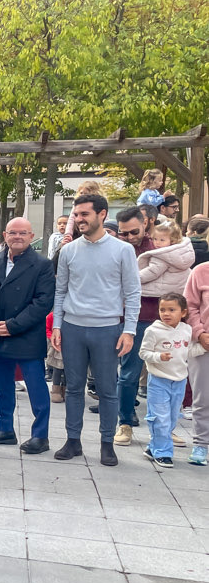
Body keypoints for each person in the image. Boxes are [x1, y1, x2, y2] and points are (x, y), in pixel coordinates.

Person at [51, 194, 140, 466]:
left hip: (107, 329)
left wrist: (129, 330)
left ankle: (107, 443)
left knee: (107, 389)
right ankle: (73, 440)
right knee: (73, 388)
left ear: (102, 214)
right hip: (73, 328)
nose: (79, 219)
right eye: (76, 214)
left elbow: (133, 293)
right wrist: (57, 325)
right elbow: (60, 290)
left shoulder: (123, 250)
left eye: (84, 214)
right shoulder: (68, 251)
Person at [0, 217, 56, 452]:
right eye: (13, 233)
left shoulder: (42, 265)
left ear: (31, 236)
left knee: (36, 388)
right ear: (5, 235)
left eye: (23, 233)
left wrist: (13, 326)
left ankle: (40, 436)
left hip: (26, 335)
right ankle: (4, 429)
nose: (17, 237)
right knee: (3, 386)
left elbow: (43, 302)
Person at [103, 207, 159, 445]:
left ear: (145, 224)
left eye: (134, 231)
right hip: (121, 318)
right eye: (123, 233)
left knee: (162, 375)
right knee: (128, 374)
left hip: (153, 317)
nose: (129, 237)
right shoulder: (114, 248)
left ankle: (163, 426)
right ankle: (124, 422)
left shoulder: (159, 247)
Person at [140, 293, 192, 468]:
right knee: (160, 417)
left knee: (171, 418)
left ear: (183, 312)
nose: (166, 313)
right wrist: (158, 357)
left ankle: (153, 447)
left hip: (180, 380)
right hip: (158, 380)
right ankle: (163, 453)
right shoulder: (153, 331)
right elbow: (143, 353)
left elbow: (188, 351)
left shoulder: (187, 330)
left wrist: (202, 348)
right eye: (162, 310)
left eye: (171, 310)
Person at [185, 262, 209, 465]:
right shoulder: (200, 271)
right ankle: (201, 444)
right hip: (203, 345)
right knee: (203, 397)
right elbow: (190, 306)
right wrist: (200, 333)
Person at [139, 220, 194, 298]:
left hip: (162, 292)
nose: (157, 242)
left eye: (162, 240)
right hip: (180, 289)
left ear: (172, 240)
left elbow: (152, 272)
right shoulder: (181, 251)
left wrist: (135, 278)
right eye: (155, 239)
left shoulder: (163, 256)